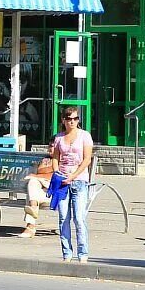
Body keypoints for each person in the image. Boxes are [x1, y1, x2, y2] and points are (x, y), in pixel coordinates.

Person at [50, 106, 94, 262]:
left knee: (79, 218)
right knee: (63, 218)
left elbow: (87, 159)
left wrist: (73, 176)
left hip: (79, 181)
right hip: (62, 182)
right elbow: (55, 157)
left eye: (75, 119)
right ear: (63, 120)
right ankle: (67, 253)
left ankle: (83, 254)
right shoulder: (59, 138)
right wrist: (57, 173)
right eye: (69, 119)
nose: (72, 122)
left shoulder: (84, 136)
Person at [16, 152, 57, 238]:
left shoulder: (65, 159)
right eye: (49, 145)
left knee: (31, 193)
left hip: (56, 194)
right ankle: (33, 207)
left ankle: (30, 227)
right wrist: (48, 170)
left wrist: (41, 173)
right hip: (42, 193)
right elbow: (40, 171)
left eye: (54, 146)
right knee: (33, 182)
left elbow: (55, 174)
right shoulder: (46, 159)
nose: (51, 148)